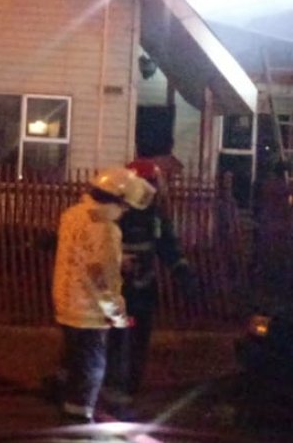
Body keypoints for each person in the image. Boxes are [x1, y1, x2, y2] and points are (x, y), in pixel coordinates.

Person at [50, 166, 154, 425]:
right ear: (116, 201)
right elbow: (101, 279)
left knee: (75, 363)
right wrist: (117, 314)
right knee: (92, 367)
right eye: (125, 206)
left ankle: (69, 406)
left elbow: (83, 257)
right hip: (89, 312)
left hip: (67, 303)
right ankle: (78, 420)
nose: (126, 212)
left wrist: (118, 259)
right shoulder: (106, 229)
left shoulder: (74, 215)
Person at [101, 159, 194, 419]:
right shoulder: (115, 212)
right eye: (150, 183)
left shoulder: (154, 215)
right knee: (115, 340)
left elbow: (167, 245)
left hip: (143, 291)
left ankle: (128, 391)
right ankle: (111, 393)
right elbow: (99, 248)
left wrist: (181, 270)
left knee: (139, 341)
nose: (153, 188)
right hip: (115, 292)